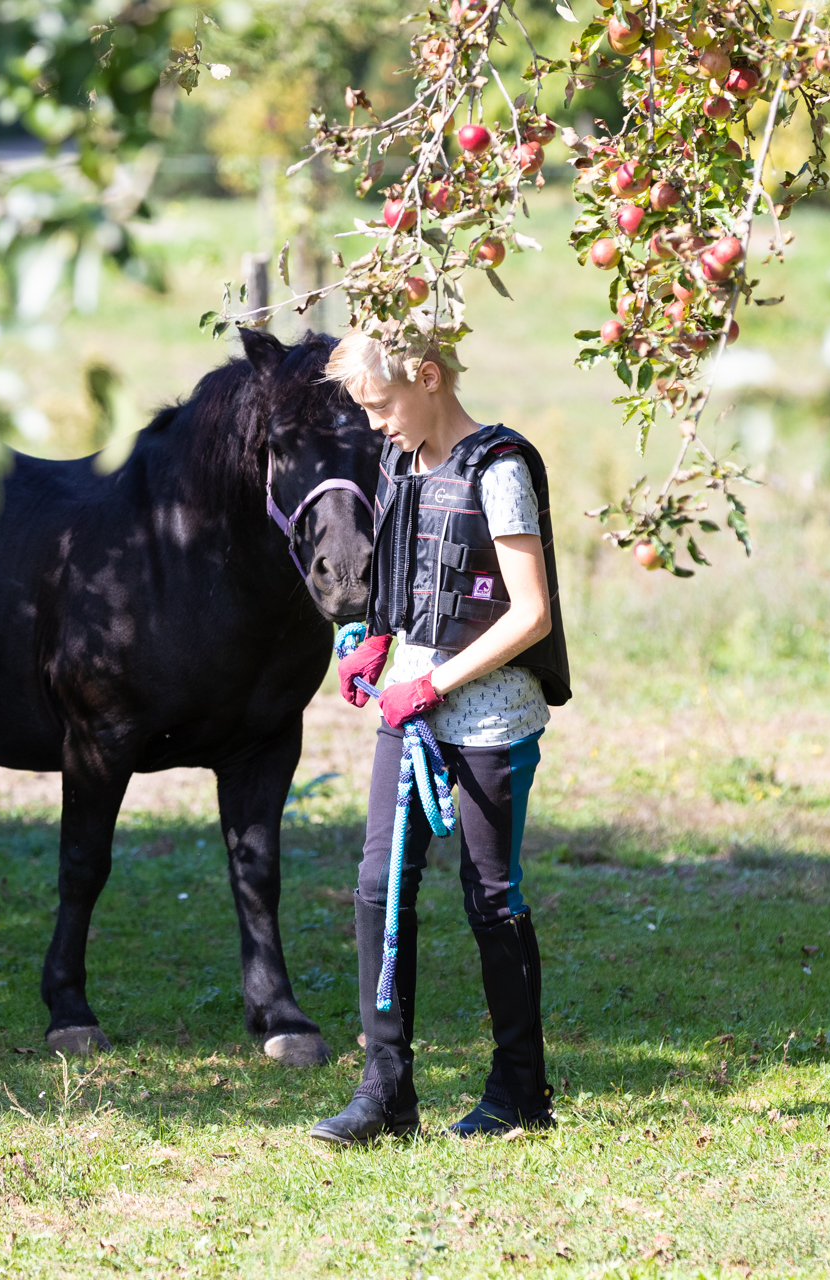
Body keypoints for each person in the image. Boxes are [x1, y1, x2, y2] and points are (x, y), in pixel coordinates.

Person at [309, 332, 571, 1145]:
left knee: (491, 899)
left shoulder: (500, 471)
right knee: (377, 888)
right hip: (411, 716)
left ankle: (520, 1093)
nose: (376, 425)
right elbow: (408, 584)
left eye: (381, 407)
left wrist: (437, 680)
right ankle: (386, 1093)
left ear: (429, 378)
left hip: (488, 719)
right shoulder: (402, 464)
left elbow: (532, 615)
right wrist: (377, 644)